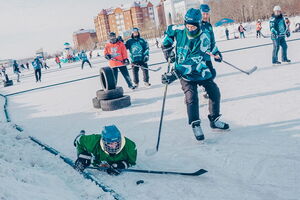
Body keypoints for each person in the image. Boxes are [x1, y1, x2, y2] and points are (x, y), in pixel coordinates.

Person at [161, 8, 229, 141]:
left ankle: (214, 120)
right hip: (184, 74)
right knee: (191, 98)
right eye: (188, 26)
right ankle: (195, 124)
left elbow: (195, 60)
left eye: (193, 26)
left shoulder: (202, 37)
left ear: (199, 24)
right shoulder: (179, 29)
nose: (190, 29)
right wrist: (168, 50)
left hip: (199, 69)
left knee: (214, 92)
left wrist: (216, 53)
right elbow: (168, 34)